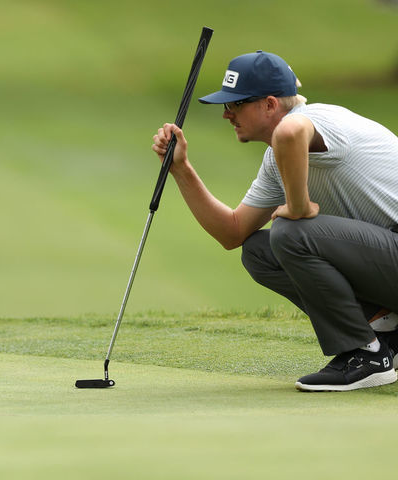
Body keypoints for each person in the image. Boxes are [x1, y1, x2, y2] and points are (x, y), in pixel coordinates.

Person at [151, 50, 398, 391]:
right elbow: (232, 232)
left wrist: (297, 207)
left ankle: (366, 357)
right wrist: (182, 168)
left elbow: (289, 134)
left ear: (269, 105)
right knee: (258, 250)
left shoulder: (318, 119)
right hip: (388, 259)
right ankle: (384, 332)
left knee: (290, 232)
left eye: (235, 105)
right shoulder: (276, 159)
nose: (226, 115)